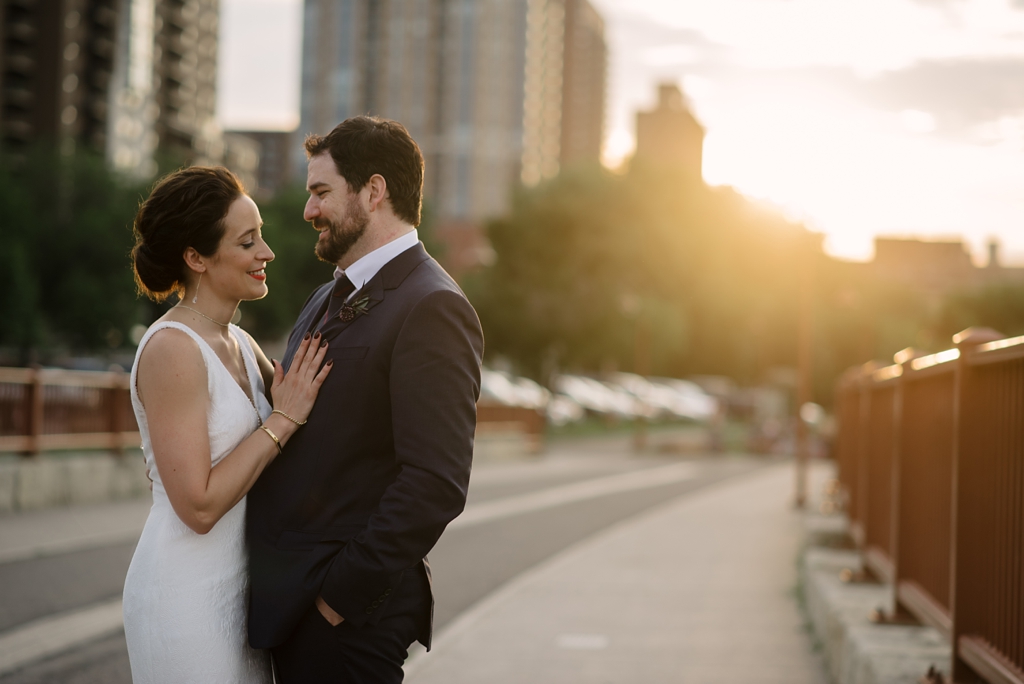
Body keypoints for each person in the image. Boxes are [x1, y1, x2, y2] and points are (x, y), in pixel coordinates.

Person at [247, 116, 484, 682]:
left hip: (346, 618)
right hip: (291, 605)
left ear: (373, 192)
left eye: (321, 193)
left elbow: (435, 483)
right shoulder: (323, 297)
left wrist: (337, 599)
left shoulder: (433, 307)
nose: (308, 212)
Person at [123, 166, 333, 683]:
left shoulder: (239, 343)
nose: (267, 253)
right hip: (185, 595)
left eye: (261, 236)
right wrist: (281, 420)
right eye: (248, 241)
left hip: (243, 593)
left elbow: (307, 414)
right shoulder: (172, 349)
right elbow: (197, 505)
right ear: (196, 258)